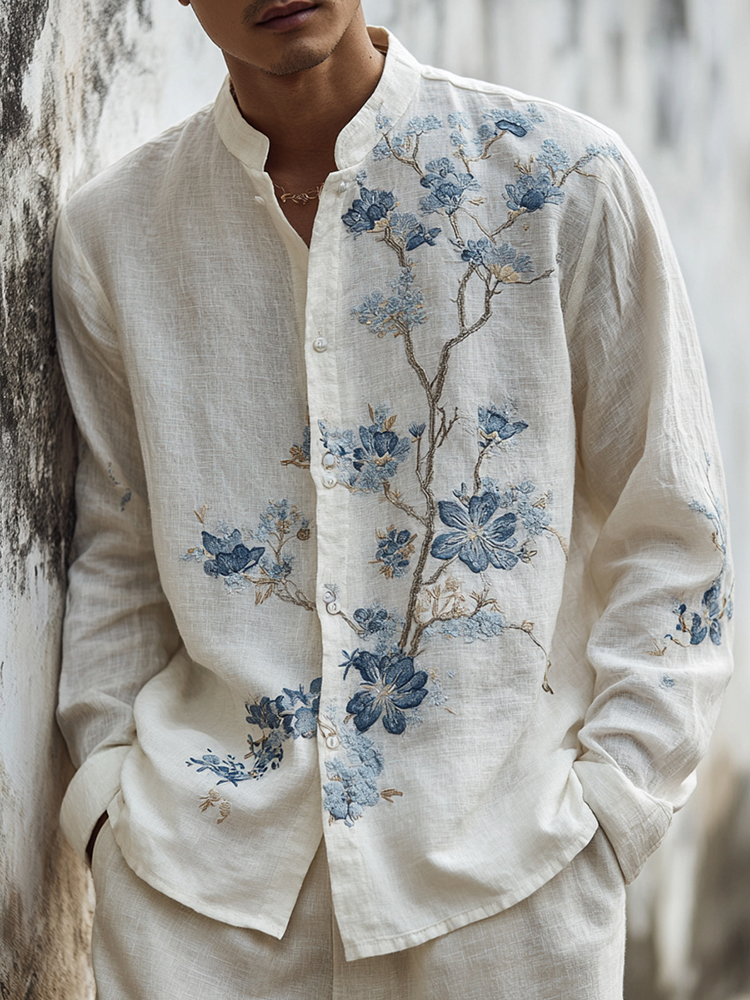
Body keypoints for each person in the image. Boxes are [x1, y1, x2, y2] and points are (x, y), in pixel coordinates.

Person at [52, 2, 734, 998]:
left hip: (510, 895)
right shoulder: (115, 232)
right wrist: (107, 801)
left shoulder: (563, 180)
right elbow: (117, 544)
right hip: (199, 910)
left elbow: (672, 530)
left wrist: (614, 808)